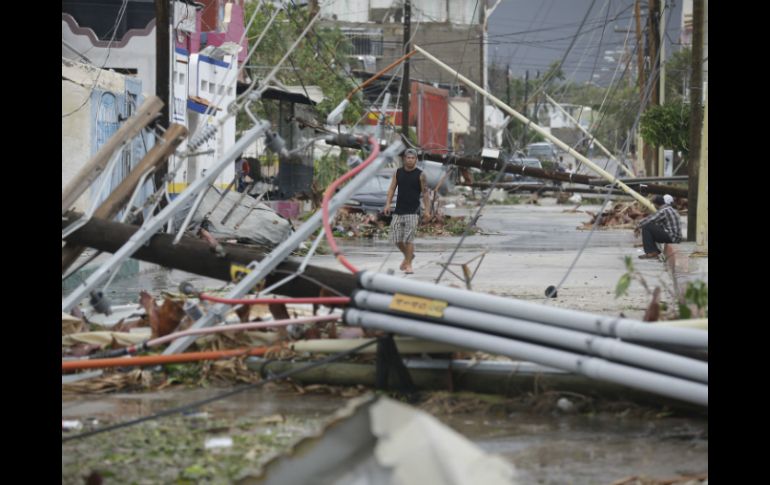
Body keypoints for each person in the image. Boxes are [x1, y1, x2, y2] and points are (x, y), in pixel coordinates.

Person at [383, 148, 430, 274]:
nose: (410, 160)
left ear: (416, 159)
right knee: (396, 239)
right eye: (408, 158)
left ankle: (408, 264)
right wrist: (387, 204)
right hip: (399, 210)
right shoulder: (398, 172)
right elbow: (392, 189)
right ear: (404, 159)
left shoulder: (421, 175)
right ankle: (409, 256)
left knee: (409, 239)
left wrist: (427, 211)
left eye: (412, 158)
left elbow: (425, 193)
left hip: (413, 211)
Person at [634, 194, 682, 259]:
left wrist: (637, 226)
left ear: (656, 204)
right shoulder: (669, 209)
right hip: (675, 237)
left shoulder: (664, 210)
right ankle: (654, 250)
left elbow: (650, 219)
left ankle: (652, 252)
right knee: (650, 226)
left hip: (672, 237)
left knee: (646, 226)